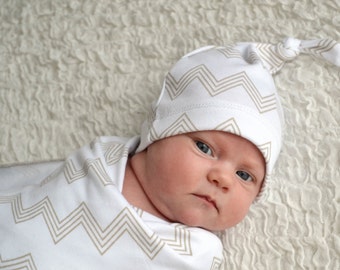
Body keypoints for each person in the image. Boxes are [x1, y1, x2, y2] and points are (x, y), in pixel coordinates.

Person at [0, 37, 339, 269]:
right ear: (157, 136)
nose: (222, 179)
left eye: (245, 175)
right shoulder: (101, 165)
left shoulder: (194, 255)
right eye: (204, 148)